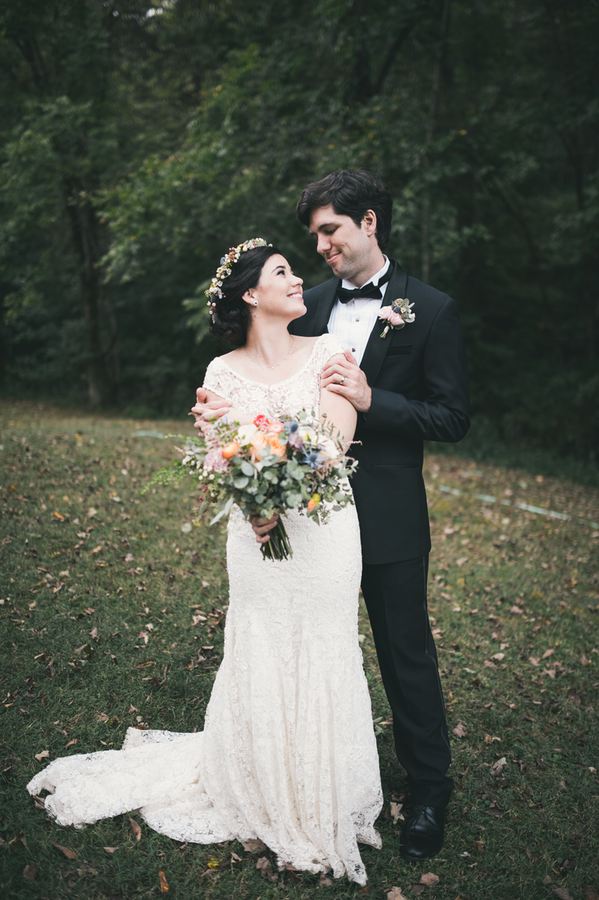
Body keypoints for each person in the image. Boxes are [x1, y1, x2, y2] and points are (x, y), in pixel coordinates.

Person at [26, 239, 383, 887]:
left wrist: (263, 466)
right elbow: (222, 456)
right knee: (262, 645)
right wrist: (254, 501)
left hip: (325, 530)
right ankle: (261, 783)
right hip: (257, 536)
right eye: (282, 272)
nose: (298, 277)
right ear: (251, 294)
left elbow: (331, 446)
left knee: (324, 645)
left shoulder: (331, 353)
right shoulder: (221, 374)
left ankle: (319, 790)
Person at [196, 170, 469, 861]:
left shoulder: (429, 309)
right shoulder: (305, 304)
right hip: (301, 516)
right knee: (299, 646)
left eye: (330, 231)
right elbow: (261, 387)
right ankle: (290, 774)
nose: (319, 246)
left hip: (387, 508)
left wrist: (377, 400)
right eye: (312, 235)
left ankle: (429, 791)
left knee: (403, 650)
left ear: (368, 223)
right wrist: (245, 476)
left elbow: (451, 416)